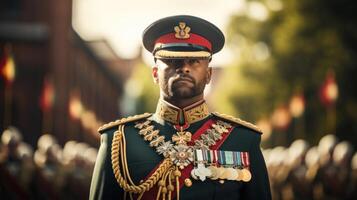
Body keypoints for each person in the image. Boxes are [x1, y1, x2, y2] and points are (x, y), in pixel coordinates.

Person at [89, 15, 271, 200]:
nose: (184, 68)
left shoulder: (243, 140)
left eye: (194, 61)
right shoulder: (119, 141)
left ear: (208, 74)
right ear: (155, 74)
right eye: (172, 61)